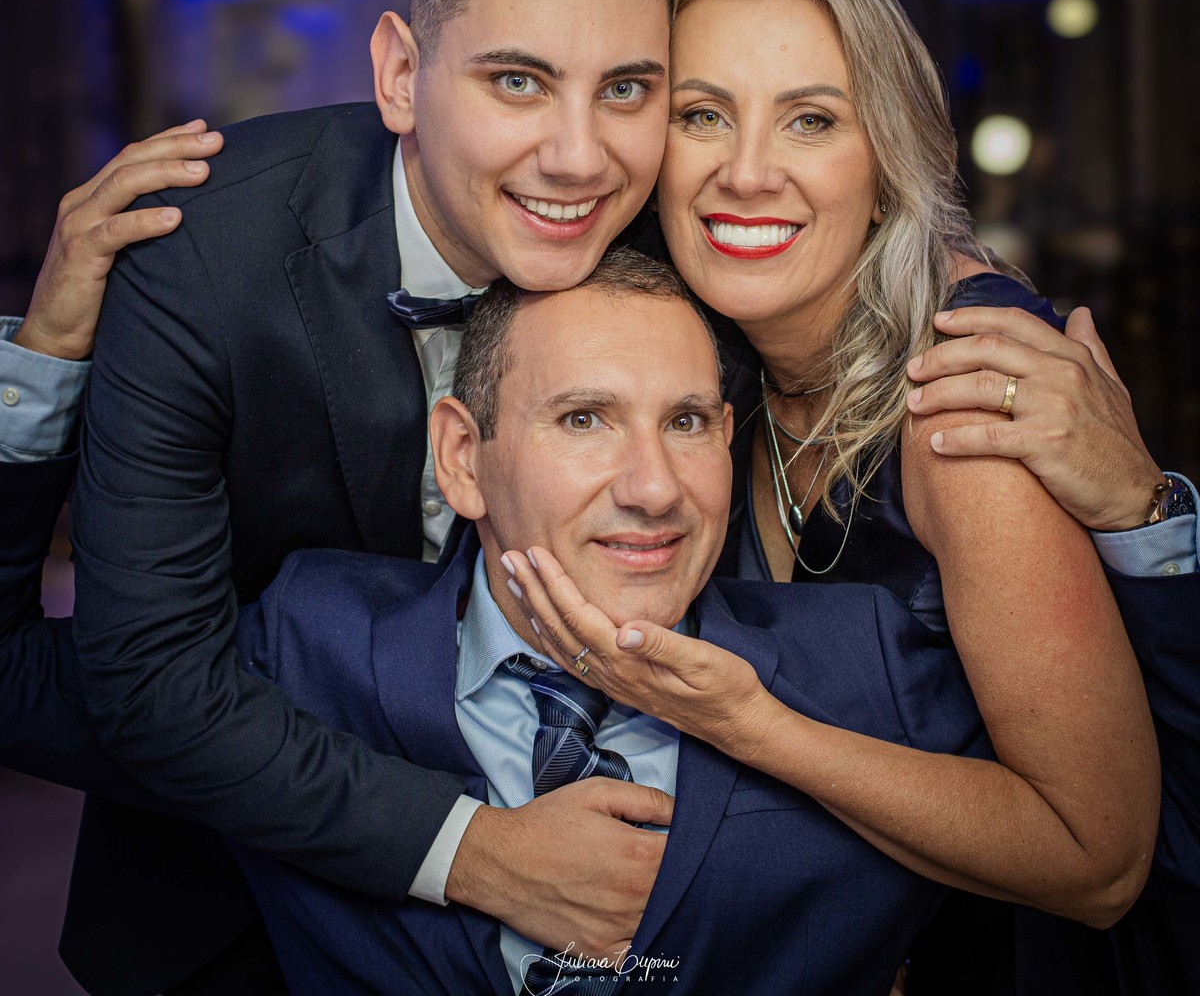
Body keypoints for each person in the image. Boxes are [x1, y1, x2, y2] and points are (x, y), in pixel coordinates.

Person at [2, 251, 1179, 995]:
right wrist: (41, 359)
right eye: (583, 419)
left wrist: (1144, 516)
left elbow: (1126, 839)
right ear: (462, 457)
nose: (654, 488)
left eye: (686, 422)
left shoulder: (866, 669)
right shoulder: (307, 647)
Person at [7, 0, 677, 996]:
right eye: (519, 82)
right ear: (402, 76)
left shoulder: (677, 247)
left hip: (632, 906)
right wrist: (479, 852)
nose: (580, 156)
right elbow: (148, 682)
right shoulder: (204, 257)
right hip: (243, 905)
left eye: (625, 89)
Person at [507, 0, 1199, 993]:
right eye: (702, 114)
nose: (746, 172)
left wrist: (751, 726)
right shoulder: (707, 356)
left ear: (886, 165)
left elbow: (1096, 860)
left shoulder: (965, 399)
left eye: (812, 119)